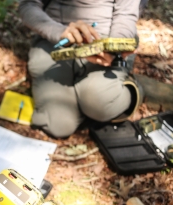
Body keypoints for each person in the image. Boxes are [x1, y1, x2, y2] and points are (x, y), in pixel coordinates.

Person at [18, 0, 142, 138]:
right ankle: (82, 103)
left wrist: (113, 47)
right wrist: (60, 31)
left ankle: (133, 92)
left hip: (104, 41)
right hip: (55, 41)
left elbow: (125, 15)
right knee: (57, 125)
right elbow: (28, 5)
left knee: (100, 103)